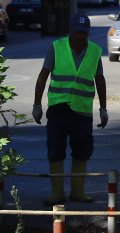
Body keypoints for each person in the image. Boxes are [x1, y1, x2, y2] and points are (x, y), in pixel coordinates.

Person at [32, 14, 108, 206]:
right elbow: (42, 77)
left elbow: (99, 79)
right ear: (70, 31)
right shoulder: (56, 47)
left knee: (82, 150)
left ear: (88, 32)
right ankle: (56, 194)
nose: (80, 36)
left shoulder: (95, 51)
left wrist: (103, 109)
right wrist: (37, 105)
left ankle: (77, 191)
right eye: (77, 32)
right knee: (55, 149)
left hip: (82, 111)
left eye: (84, 33)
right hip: (59, 108)